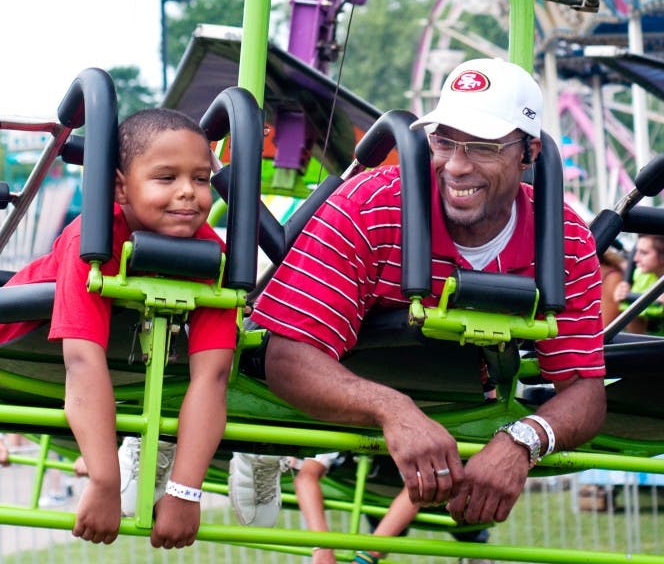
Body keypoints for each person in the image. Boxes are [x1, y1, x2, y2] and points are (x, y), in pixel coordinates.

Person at [250, 58, 606, 529]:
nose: (456, 166)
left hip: (462, 397)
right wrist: (392, 408)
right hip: (342, 382)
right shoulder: (373, 204)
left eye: (481, 146)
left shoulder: (566, 238)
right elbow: (287, 357)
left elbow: (584, 390)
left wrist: (523, 441)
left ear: (529, 153)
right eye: (443, 141)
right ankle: (255, 450)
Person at [0, 108, 237, 549]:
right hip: (24, 353)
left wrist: (186, 491)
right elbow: (81, 359)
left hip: (127, 368)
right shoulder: (89, 241)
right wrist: (104, 480)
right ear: (118, 188)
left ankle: (167, 451)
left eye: (202, 179)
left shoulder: (213, 256)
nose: (189, 192)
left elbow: (214, 375)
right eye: (166, 178)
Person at [613, 234, 664, 334]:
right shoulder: (640, 275)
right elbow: (634, 327)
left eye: (644, 253)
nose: (636, 258)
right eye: (636, 251)